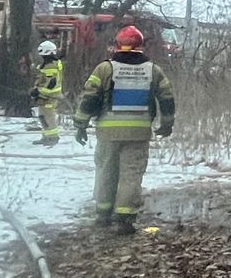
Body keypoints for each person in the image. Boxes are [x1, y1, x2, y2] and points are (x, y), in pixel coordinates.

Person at [73, 25, 175, 232]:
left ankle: (103, 214)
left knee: (106, 171)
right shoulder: (153, 70)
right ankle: (124, 219)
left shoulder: (104, 69)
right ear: (141, 46)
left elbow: (89, 99)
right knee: (131, 174)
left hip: (108, 132)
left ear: (117, 45)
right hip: (138, 133)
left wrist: (80, 124)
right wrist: (167, 123)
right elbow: (167, 98)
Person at [31, 39, 65, 146]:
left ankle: (53, 138)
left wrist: (38, 91)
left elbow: (50, 84)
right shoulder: (52, 64)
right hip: (46, 95)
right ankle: (46, 136)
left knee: (49, 117)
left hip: (49, 96)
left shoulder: (50, 66)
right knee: (43, 116)